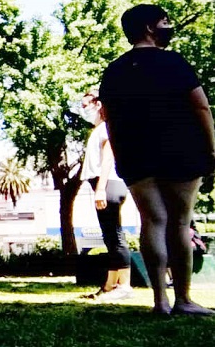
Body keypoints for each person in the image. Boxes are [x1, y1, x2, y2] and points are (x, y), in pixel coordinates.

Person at [100, 3, 215, 316]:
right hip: (181, 150)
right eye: (165, 21)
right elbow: (201, 107)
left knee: (152, 220)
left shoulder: (114, 71)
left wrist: (122, 155)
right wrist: (211, 149)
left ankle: (159, 302)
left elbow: (109, 119)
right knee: (179, 222)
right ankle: (184, 300)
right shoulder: (173, 62)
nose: (168, 25)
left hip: (137, 154)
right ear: (150, 28)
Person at [78, 91, 133, 301]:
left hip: (109, 184)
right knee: (110, 236)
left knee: (115, 235)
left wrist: (101, 188)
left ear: (98, 104)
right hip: (105, 184)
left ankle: (125, 286)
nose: (84, 110)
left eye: (86, 105)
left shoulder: (107, 128)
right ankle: (110, 286)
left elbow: (108, 158)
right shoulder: (99, 129)